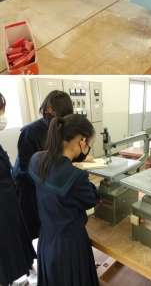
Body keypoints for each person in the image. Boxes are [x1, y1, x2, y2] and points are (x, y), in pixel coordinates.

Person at [28, 114, 99, 286]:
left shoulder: (36, 160)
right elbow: (92, 198)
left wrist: (71, 166)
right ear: (82, 141)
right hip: (70, 247)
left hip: (46, 240)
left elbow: (56, 178)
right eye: (89, 143)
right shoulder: (77, 177)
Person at [13, 90, 73, 240]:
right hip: (30, 187)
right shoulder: (30, 132)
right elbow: (26, 168)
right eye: (50, 111)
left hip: (48, 184)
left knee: (51, 225)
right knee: (35, 228)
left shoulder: (62, 128)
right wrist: (50, 179)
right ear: (46, 109)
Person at [0, 93, 36, 286]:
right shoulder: (29, 132)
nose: (3, 116)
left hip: (8, 201)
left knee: (13, 243)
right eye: (1, 111)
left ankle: (12, 278)